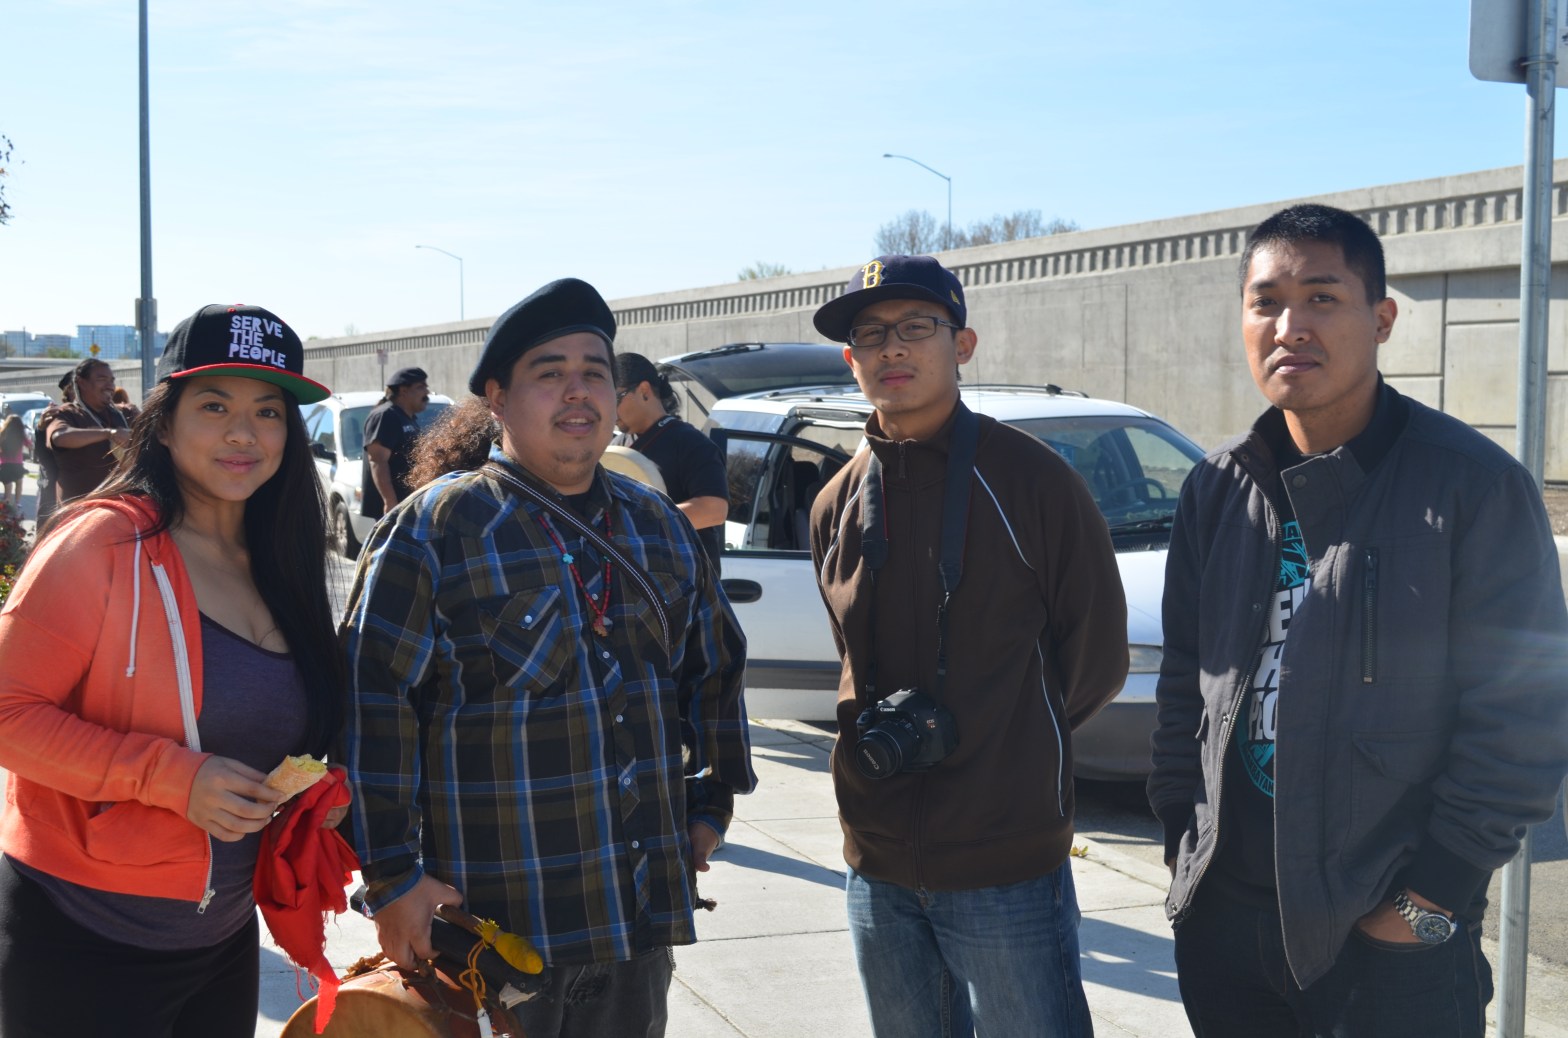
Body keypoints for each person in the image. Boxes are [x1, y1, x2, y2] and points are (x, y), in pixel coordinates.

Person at [1147, 204, 1568, 1038]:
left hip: (1389, 941)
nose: (1289, 327)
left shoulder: (1472, 487)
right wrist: (1182, 845)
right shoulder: (1217, 487)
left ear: (1382, 319)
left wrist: (1428, 901)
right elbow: (1185, 684)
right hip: (1226, 927)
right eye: (1266, 302)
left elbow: (1525, 718)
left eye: (1322, 297)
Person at [340, 277, 755, 1038]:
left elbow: (715, 667)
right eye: (549, 372)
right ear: (497, 398)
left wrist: (712, 797)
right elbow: (371, 710)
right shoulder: (436, 528)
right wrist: (392, 877)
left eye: (595, 372)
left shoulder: (657, 524)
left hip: (635, 926)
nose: (577, 391)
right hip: (491, 935)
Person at [0, 302, 346, 1038]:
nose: (243, 432)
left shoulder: (282, 559)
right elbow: (7, 714)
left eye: (268, 411)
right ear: (163, 422)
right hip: (80, 934)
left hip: (222, 937)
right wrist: (170, 778)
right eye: (214, 405)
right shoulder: (102, 543)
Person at [807, 254, 1129, 1037]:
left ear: (964, 344)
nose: (892, 347)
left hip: (1005, 862)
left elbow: (1096, 659)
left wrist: (1008, 750)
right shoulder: (835, 503)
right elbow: (850, 655)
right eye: (870, 335)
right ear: (850, 360)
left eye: (916, 327)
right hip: (877, 861)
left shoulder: (1034, 482)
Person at [613, 352, 729, 572]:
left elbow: (714, 509)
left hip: (686, 579)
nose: (610, 409)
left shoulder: (690, 442)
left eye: (616, 398)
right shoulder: (616, 446)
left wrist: (641, 522)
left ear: (644, 391)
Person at [46, 358, 133, 502]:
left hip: (119, 507)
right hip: (79, 509)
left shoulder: (124, 414)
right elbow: (60, 437)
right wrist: (109, 434)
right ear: (82, 383)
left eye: (112, 381)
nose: (110, 386)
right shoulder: (66, 413)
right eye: (101, 379)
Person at [360, 366, 430, 520]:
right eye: (420, 387)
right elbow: (378, 461)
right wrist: (390, 502)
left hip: (408, 504)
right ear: (403, 391)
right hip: (393, 509)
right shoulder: (385, 416)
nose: (427, 392)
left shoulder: (408, 418)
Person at [31, 375, 71, 528]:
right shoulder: (56, 416)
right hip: (54, 488)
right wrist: (41, 429)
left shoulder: (103, 415)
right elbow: (43, 455)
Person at [0, 416, 23, 511]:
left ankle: (6, 504)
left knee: (8, 487)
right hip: (17, 465)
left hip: (5, 465)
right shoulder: (21, 435)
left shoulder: (2, 434)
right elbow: (30, 446)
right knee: (19, 483)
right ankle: (17, 503)